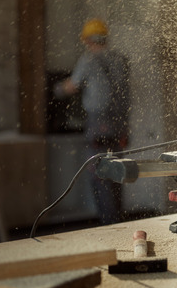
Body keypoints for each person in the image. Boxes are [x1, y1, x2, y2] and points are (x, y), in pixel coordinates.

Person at [54, 19, 131, 225]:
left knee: (99, 173)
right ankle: (118, 222)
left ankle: (108, 223)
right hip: (120, 124)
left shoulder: (88, 60)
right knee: (117, 172)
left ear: (88, 40)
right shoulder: (120, 60)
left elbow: (71, 86)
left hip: (98, 123)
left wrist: (56, 89)